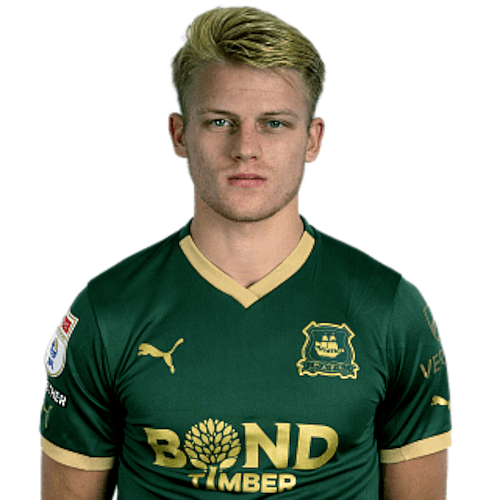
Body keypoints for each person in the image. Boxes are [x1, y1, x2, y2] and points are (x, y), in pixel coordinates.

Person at [39, 5, 452, 499]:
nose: (246, 148)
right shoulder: (108, 311)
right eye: (220, 122)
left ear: (313, 139)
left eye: (274, 123)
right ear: (178, 135)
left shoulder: (388, 308)